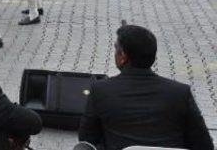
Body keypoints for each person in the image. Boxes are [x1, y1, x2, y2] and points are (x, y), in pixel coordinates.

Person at [79, 24, 213, 150]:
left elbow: (87, 141)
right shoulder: (180, 92)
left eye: (116, 48)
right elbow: (204, 144)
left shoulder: (101, 90)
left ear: (123, 57)